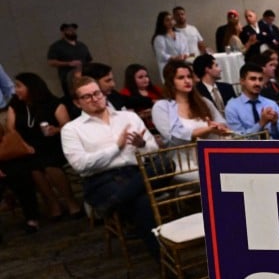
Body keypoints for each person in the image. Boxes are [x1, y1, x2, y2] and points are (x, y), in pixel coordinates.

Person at [60, 76, 159, 258]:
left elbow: (153, 151)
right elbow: (81, 165)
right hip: (102, 180)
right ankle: (166, 261)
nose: (95, 98)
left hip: (135, 173)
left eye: (97, 93)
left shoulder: (128, 117)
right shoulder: (72, 129)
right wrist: (116, 148)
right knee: (143, 202)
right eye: (87, 96)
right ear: (77, 102)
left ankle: (115, 203)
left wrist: (142, 144)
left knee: (165, 164)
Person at [8, 72, 83, 220]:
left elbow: (67, 126)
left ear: (31, 87)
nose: (16, 90)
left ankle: (70, 201)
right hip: (28, 147)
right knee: (34, 166)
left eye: (19, 86)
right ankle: (52, 203)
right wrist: (23, 145)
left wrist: (55, 130)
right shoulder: (15, 105)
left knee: (48, 163)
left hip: (52, 144)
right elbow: (11, 129)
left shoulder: (54, 104)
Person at [152, 59, 229, 146]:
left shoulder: (204, 101)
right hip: (182, 157)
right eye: (181, 78)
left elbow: (222, 124)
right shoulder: (162, 106)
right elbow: (176, 138)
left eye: (189, 77)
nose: (187, 81)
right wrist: (207, 129)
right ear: (170, 82)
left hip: (211, 153)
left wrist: (218, 126)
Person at [224, 63, 279, 140]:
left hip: (272, 149)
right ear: (242, 81)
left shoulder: (271, 104)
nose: (257, 83)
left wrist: (274, 124)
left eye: (260, 79)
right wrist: (261, 123)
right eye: (253, 79)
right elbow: (239, 140)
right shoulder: (232, 107)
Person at [47, 22, 92, 98]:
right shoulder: (56, 46)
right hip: (68, 79)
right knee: (73, 97)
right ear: (63, 32)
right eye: (69, 30)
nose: (72, 31)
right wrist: (68, 63)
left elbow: (89, 60)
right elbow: (51, 62)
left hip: (85, 77)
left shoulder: (81, 45)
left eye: (73, 30)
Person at [152, 10, 190, 77]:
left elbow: (186, 50)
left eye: (171, 19)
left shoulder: (180, 35)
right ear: (162, 22)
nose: (170, 22)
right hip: (168, 67)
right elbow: (161, 55)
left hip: (182, 64)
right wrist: (174, 58)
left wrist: (184, 55)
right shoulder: (159, 38)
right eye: (167, 20)